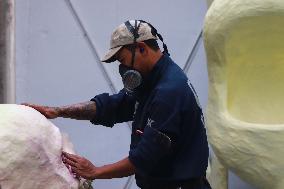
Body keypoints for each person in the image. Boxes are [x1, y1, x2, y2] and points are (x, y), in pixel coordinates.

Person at [23, 20, 211, 189]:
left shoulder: (168, 92)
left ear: (142, 48)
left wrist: (95, 171)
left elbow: (144, 158)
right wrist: (56, 111)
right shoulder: (152, 80)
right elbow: (114, 106)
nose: (123, 69)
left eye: (122, 60)